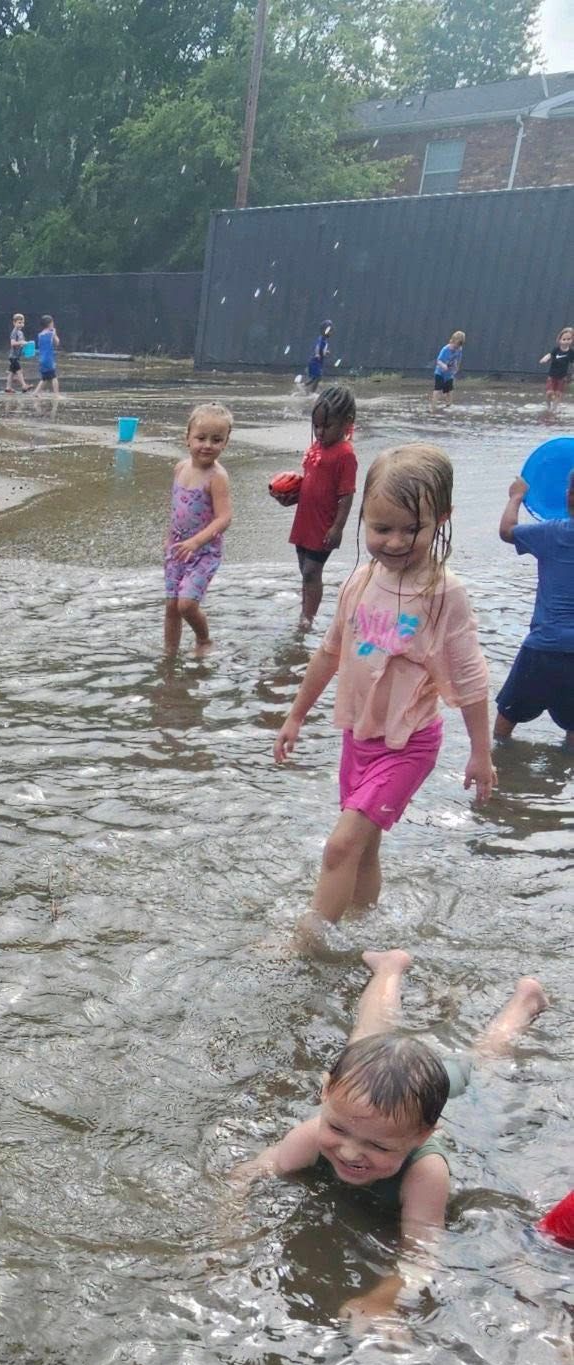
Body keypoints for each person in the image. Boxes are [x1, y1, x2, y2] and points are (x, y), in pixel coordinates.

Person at [234, 949, 547, 1321]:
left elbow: (421, 1252)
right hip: (372, 1086)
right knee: (364, 1038)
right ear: (325, 1094)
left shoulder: (425, 1171)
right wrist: (230, 1230)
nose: (350, 1152)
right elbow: (246, 1175)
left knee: (482, 1062)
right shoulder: (313, 1134)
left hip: (435, 1086)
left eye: (378, 1146)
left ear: (422, 1135)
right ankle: (390, 966)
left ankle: (526, 1001)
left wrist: (384, 1298)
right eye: (336, 1128)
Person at [272, 444, 495, 942]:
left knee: (339, 846)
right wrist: (295, 716)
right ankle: (360, 927)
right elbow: (330, 653)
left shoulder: (444, 596)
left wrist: (481, 753)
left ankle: (303, 946)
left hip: (408, 743)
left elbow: (471, 678)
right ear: (364, 522)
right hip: (361, 737)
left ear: (442, 518)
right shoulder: (360, 580)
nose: (394, 542)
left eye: (410, 529)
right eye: (381, 528)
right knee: (364, 847)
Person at [493, 468, 574, 753]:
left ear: (569, 497)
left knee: (505, 720)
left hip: (543, 646)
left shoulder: (551, 532)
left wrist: (516, 496)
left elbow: (506, 531)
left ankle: (499, 772)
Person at [273, 384, 358, 629]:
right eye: (316, 426)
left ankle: (307, 619)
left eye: (327, 426)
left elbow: (347, 494)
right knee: (304, 568)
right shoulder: (316, 448)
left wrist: (337, 527)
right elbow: (312, 484)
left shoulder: (345, 455)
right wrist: (290, 495)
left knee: (312, 570)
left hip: (324, 523)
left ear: (346, 422)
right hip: (305, 518)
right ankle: (305, 609)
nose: (320, 432)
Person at [163, 403, 233, 655]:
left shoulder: (217, 477)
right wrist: (169, 539)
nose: (207, 445)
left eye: (216, 440)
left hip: (204, 552)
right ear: (187, 438)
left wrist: (197, 542)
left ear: (225, 442)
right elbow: (176, 509)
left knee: (186, 604)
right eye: (201, 438)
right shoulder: (180, 468)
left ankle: (203, 639)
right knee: (171, 605)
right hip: (177, 548)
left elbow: (224, 518)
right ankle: (169, 652)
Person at [539, 326, 574, 419]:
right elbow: (550, 355)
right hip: (552, 375)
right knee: (549, 393)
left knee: (558, 394)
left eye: (569, 339)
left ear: (572, 340)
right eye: (564, 339)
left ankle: (554, 409)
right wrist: (545, 358)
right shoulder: (556, 349)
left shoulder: (571, 352)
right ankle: (548, 406)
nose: (566, 341)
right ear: (560, 340)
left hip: (562, 377)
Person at [431, 330, 465, 411]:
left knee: (449, 391)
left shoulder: (459, 349)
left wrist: (456, 367)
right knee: (437, 390)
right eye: (455, 346)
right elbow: (438, 361)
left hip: (449, 374)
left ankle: (449, 405)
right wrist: (443, 366)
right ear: (452, 341)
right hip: (440, 373)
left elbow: (458, 359)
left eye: (458, 347)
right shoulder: (445, 349)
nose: (455, 348)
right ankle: (433, 407)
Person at [31, 314, 60, 399]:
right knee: (54, 377)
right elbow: (57, 343)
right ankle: (56, 394)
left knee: (45, 378)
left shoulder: (40, 334)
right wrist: (54, 334)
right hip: (48, 358)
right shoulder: (51, 333)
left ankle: (36, 392)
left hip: (42, 358)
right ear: (50, 324)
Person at [5, 313, 32, 395]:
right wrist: (21, 342)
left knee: (12, 372)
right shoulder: (14, 332)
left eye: (22, 322)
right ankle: (24, 385)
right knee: (19, 371)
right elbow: (12, 343)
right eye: (19, 322)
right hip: (13, 356)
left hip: (16, 356)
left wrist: (24, 346)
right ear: (14, 323)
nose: (21, 324)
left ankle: (8, 387)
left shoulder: (20, 332)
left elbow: (20, 344)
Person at [306, 319, 333, 386]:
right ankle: (307, 388)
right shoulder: (321, 339)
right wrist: (317, 354)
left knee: (316, 378)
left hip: (318, 362)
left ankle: (306, 388)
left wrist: (326, 352)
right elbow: (317, 346)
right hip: (314, 362)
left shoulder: (325, 340)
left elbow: (322, 349)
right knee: (317, 377)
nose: (330, 333)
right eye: (329, 331)